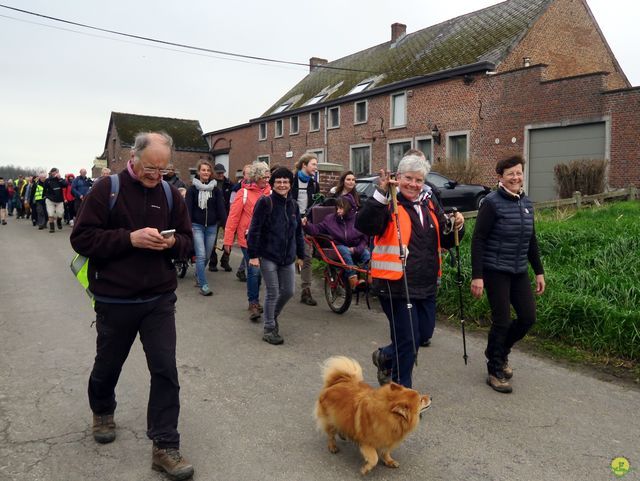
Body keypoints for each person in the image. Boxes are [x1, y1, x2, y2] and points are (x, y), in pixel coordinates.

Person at [70, 131, 195, 480]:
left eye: (162, 169)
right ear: (134, 157)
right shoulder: (106, 189)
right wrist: (129, 238)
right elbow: (80, 238)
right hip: (115, 298)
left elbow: (187, 241)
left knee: (165, 369)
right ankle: (102, 409)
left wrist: (170, 244)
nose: (156, 175)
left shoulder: (171, 194)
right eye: (150, 168)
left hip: (158, 298)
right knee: (108, 364)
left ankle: (165, 446)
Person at [356, 153, 465, 388]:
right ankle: (401, 392)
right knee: (408, 340)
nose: (413, 185)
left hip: (426, 283)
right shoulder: (387, 204)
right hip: (395, 285)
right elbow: (364, 225)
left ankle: (385, 356)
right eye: (409, 178)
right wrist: (380, 194)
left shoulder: (428, 204)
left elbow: (446, 242)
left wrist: (457, 226)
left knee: (423, 334)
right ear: (398, 177)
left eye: (419, 180)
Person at [470, 155, 545, 394]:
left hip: (519, 270)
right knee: (501, 321)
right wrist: (477, 275)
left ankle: (500, 352)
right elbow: (478, 240)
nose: (516, 177)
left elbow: (531, 240)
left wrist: (539, 272)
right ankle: (494, 370)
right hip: (495, 271)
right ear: (500, 177)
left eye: (519, 172)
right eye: (510, 173)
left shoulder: (527, 204)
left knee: (528, 317)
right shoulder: (491, 203)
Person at [247, 167, 305, 345]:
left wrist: (300, 255)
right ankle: (269, 328)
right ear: (272, 184)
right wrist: (254, 255)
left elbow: (298, 233)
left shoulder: (293, 205)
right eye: (278, 181)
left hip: (287, 258)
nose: (282, 185)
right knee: (272, 292)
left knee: (288, 291)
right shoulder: (266, 202)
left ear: (290, 184)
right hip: (268, 255)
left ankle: (272, 315)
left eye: (286, 182)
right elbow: (254, 230)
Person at [223, 162, 271, 321]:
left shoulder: (271, 193)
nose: (266, 179)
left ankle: (255, 299)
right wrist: (228, 241)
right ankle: (253, 303)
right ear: (256, 177)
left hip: (265, 240)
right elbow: (233, 218)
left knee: (259, 274)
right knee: (253, 271)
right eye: (263, 176)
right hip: (247, 239)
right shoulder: (243, 193)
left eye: (267, 176)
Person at [302, 197, 370, 289]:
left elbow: (364, 238)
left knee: (366, 254)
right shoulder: (330, 220)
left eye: (341, 208)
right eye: (337, 208)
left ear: (348, 208)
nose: (338, 211)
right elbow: (316, 229)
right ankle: (352, 279)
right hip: (339, 246)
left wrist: (357, 249)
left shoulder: (357, 219)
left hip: (355, 246)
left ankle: (368, 279)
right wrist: (306, 225)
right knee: (344, 250)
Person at [184, 160, 226, 296]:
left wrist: (226, 226)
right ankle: (203, 284)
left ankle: (198, 273)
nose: (206, 173)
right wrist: (188, 225)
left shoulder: (216, 190)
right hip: (197, 226)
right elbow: (188, 209)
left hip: (212, 227)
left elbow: (221, 208)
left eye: (208, 170)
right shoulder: (192, 190)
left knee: (207, 255)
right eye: (203, 170)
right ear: (198, 172)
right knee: (201, 255)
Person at [292, 153, 319, 306]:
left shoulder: (314, 184)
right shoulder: (291, 181)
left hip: (306, 223)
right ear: (304, 165)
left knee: (308, 255)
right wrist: (296, 217)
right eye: (314, 164)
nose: (316, 167)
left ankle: (306, 290)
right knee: (287, 254)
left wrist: (308, 217)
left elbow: (315, 204)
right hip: (291, 222)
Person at [208, 163, 233, 273]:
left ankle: (225, 261)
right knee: (212, 240)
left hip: (227, 215)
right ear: (214, 173)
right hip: (214, 216)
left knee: (228, 239)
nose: (221, 174)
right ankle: (213, 262)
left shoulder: (229, 184)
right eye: (218, 173)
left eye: (222, 172)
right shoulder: (210, 184)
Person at [229, 164, 252, 282]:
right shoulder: (237, 188)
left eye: (251, 173)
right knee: (248, 251)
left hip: (253, 227)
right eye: (248, 173)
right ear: (244, 175)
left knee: (250, 250)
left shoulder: (259, 188)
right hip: (243, 226)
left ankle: (242, 270)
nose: (250, 175)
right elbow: (233, 207)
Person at [43, 168, 67, 233]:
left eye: (57, 172)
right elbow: (44, 189)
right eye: (55, 172)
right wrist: (44, 196)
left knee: (60, 214)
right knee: (50, 214)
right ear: (52, 173)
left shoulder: (60, 180)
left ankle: (59, 221)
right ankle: (52, 228)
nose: (57, 173)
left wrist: (60, 179)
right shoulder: (48, 180)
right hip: (50, 199)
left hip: (59, 200)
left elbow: (65, 185)